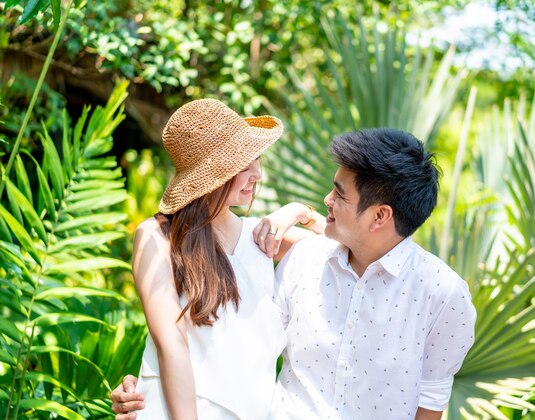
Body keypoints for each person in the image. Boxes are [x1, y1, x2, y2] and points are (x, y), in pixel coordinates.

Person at [113, 128, 476, 419]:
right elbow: (178, 346)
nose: (327, 200)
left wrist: (296, 212)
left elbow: (431, 397)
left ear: (380, 215)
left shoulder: (441, 294)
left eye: (338, 193)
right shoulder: (298, 255)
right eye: (244, 162)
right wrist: (147, 387)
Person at [128, 98, 323, 420]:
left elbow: (347, 255)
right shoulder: (157, 235)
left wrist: (301, 212)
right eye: (244, 164)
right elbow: (170, 343)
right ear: (215, 173)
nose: (257, 174)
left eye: (257, 159)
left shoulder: (261, 236)